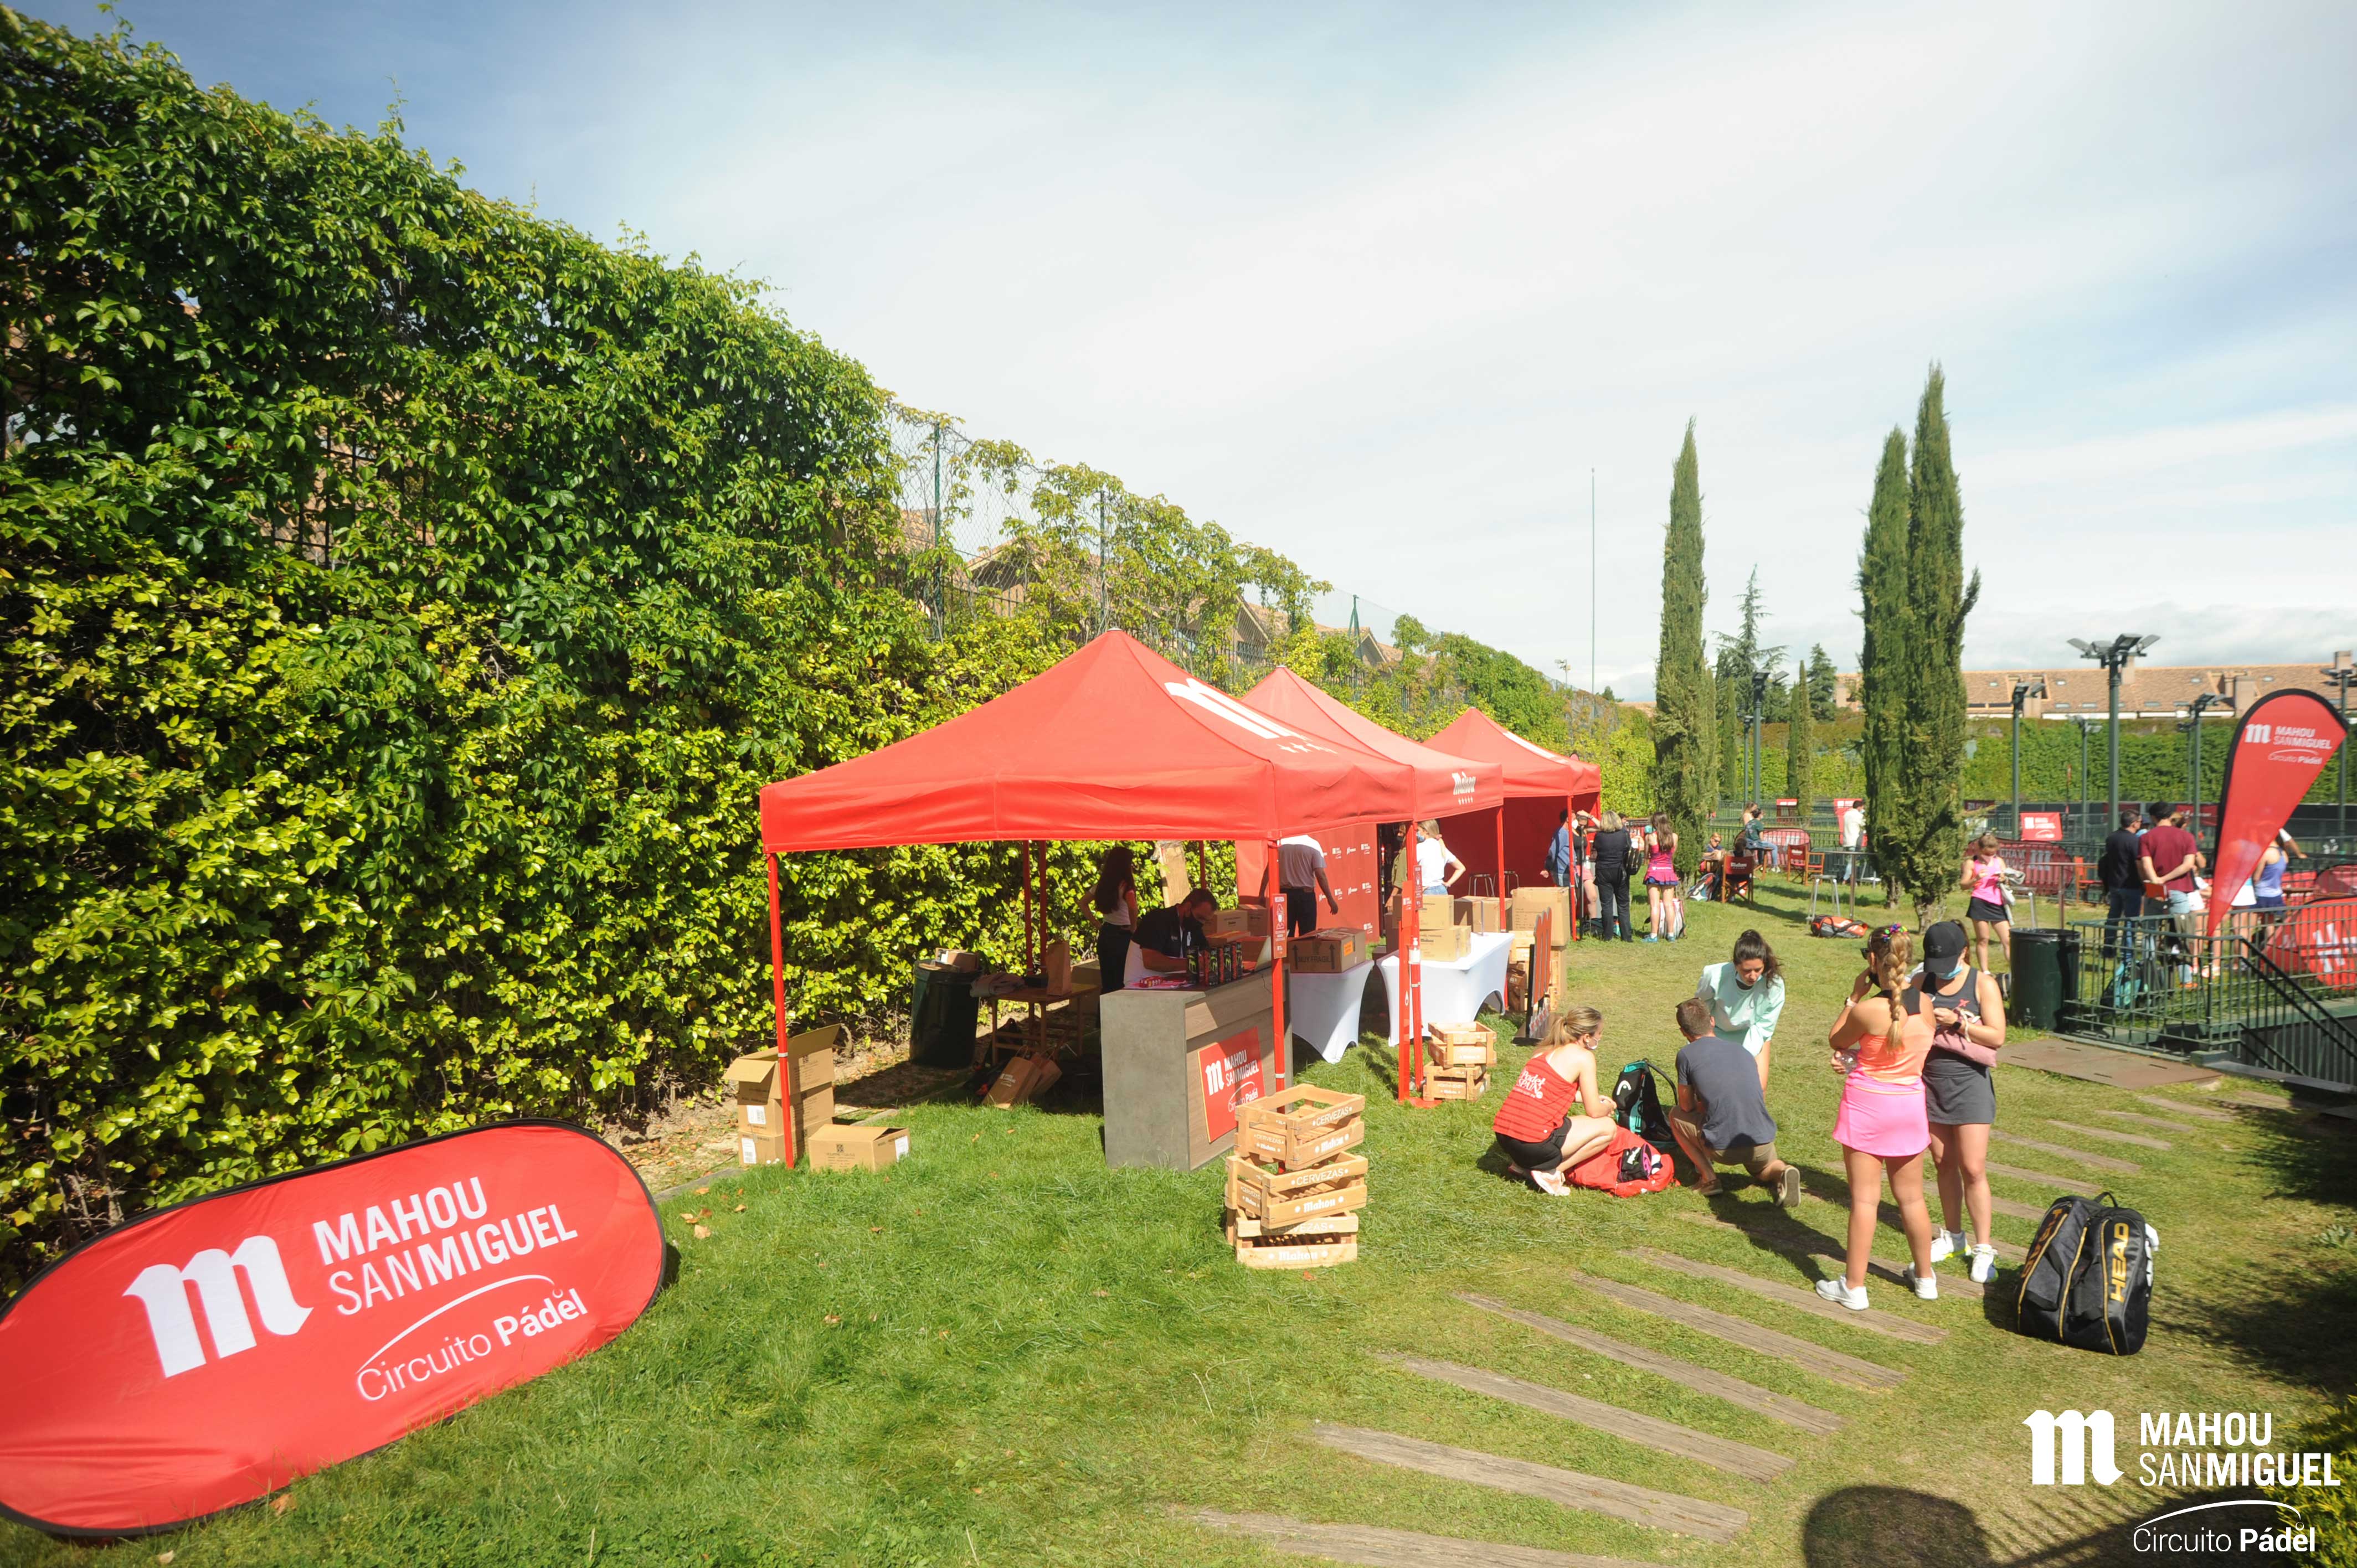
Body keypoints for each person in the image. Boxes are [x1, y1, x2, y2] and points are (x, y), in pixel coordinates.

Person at [1819, 925, 1938, 1309]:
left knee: (1865, 1201)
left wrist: (1853, 997)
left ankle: (1854, 1288)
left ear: (1873, 961)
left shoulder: (1868, 1010)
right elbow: (1898, 1051)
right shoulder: (1926, 1005)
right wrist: (1859, 1058)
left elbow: (1837, 1039)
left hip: (1868, 1109)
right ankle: (1926, 1278)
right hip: (1909, 1109)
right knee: (1913, 1199)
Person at [1916, 921, 2008, 1284]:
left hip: (1970, 1085)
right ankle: (1953, 1236)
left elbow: (1997, 1037)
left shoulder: (1982, 984)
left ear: (1964, 953)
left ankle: (1984, 1248)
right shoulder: (1922, 980)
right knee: (1943, 1163)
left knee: (1972, 1167)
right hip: (1930, 1084)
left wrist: (1957, 1023)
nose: (1940, 972)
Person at [1668, 996, 1802, 1206]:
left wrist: (1699, 1102)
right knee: (1764, 1169)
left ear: (1684, 1032)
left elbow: (1686, 1106)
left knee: (1675, 1115)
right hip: (1762, 1139)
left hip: (1724, 1148)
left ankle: (1708, 1178)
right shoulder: (1742, 1051)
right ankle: (1783, 1171)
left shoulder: (1686, 1054)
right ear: (1712, 1021)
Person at [1490, 1006, 1620, 1195]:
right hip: (1534, 1144)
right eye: (1600, 1033)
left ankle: (1521, 1166)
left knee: (1545, 1123)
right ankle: (1551, 1173)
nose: (1600, 1037)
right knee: (1608, 1128)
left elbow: (1547, 1091)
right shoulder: (1584, 1057)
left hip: (1505, 1138)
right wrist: (1607, 1107)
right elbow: (1594, 1111)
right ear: (1587, 1037)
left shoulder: (1544, 1051)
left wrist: (1590, 1098)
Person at [1695, 929, 1785, 1096]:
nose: (1753, 976)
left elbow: (1765, 1026)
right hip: (1716, 1033)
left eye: (1758, 970)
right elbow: (1702, 1007)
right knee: (1711, 1087)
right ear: (1735, 965)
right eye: (1746, 971)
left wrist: (1742, 1057)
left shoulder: (1775, 985)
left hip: (1754, 1034)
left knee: (1757, 1088)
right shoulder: (1714, 975)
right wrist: (1706, 1041)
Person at [2139, 805, 2204, 987]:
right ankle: (2186, 980)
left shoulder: (2146, 837)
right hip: (2179, 889)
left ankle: (2149, 974)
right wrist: (2166, 879)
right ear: (2171, 816)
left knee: (2150, 933)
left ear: (2153, 817)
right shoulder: (2186, 837)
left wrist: (2157, 881)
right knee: (2182, 933)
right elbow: (2188, 864)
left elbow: (2146, 864)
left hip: (2154, 888)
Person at [1126, 887, 1218, 988]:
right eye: (1200, 918)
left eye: (1206, 921)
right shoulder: (1158, 919)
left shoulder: (1193, 927)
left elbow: (1206, 952)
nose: (1201, 923)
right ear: (1188, 907)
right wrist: (1192, 963)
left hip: (1171, 986)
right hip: (1140, 987)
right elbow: (1151, 961)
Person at [1959, 833, 2012, 974]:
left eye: (1993, 853)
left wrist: (2004, 879)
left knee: (2008, 939)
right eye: (1987, 854)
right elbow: (1963, 885)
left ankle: (2015, 971)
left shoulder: (1999, 861)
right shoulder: (1971, 863)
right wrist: (1976, 878)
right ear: (1980, 849)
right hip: (1980, 902)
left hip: (1997, 903)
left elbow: (2008, 881)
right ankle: (1985, 972)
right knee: (1983, 939)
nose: (1990, 857)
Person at [1090, 847, 1141, 991]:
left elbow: (1082, 903)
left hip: (1106, 933)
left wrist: (1097, 924)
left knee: (1108, 982)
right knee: (1123, 981)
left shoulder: (1103, 885)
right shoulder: (1126, 887)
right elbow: (1133, 907)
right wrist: (1134, 927)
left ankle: (1103, 1007)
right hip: (1123, 934)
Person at [2098, 806, 2145, 956]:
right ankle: (2127, 954)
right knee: (2130, 921)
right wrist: (2144, 882)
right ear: (2134, 823)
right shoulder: (2134, 841)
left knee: (2113, 918)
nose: (2140, 825)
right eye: (2140, 822)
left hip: (2114, 883)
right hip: (2131, 885)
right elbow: (2138, 863)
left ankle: (2108, 948)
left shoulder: (2112, 838)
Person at [1277, 832, 1341, 938]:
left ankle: (1287, 950)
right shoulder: (1313, 845)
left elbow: (1269, 869)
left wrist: (1262, 893)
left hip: (1285, 896)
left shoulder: (1282, 844)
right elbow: (1320, 874)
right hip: (1305, 896)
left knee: (1285, 937)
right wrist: (1330, 899)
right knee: (1308, 937)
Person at [1591, 812, 1635, 941]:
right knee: (1623, 904)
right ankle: (1627, 936)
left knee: (1606, 904)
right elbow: (1628, 848)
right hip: (1620, 871)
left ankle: (1608, 935)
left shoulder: (1599, 836)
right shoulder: (1624, 834)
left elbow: (1596, 849)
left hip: (1603, 871)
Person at [1643, 812, 1682, 942]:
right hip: (1668, 871)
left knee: (1655, 905)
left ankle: (1654, 935)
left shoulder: (1650, 837)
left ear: (1655, 822)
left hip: (1654, 871)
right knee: (1669, 905)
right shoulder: (1674, 837)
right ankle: (1671, 935)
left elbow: (1646, 855)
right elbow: (1673, 854)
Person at [1414, 820, 1466, 896]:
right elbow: (1461, 868)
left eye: (1418, 831)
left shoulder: (1419, 847)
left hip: (1426, 890)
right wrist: (1448, 883)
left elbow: (1411, 870)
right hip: (1442, 889)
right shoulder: (1442, 847)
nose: (1416, 834)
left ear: (1426, 831)